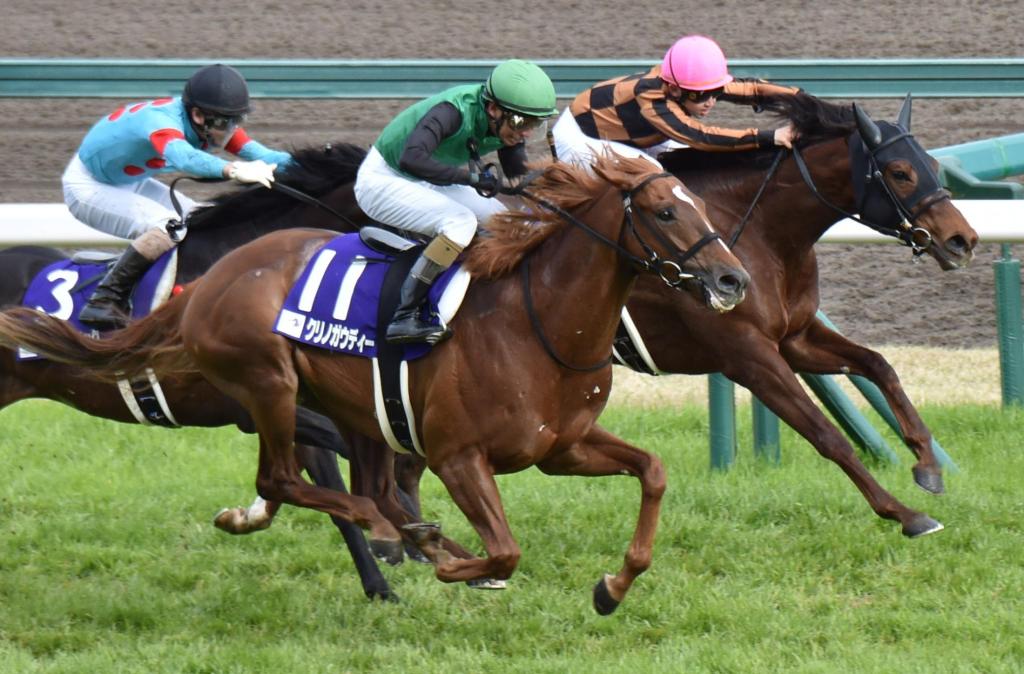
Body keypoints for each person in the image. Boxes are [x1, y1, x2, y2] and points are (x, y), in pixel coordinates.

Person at [64, 63, 293, 330]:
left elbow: (265, 157)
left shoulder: (214, 123)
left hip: (128, 181)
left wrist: (328, 164)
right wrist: (233, 170)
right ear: (197, 115)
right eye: (224, 122)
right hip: (88, 187)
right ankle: (104, 299)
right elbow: (184, 158)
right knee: (167, 226)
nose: (231, 130)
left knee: (200, 216)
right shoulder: (162, 122)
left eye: (236, 121)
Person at [354, 58, 558, 345]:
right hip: (382, 180)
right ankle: (404, 316)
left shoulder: (506, 125)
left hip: (427, 180)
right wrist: (470, 178)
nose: (525, 132)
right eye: (520, 122)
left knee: (504, 221)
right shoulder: (452, 111)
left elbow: (516, 173)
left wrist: (556, 188)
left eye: (534, 124)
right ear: (493, 109)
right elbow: (411, 158)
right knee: (459, 222)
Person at [552, 35, 800, 168]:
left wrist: (803, 100)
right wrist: (770, 136)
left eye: (716, 92)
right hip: (581, 137)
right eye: (701, 95)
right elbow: (701, 136)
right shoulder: (653, 101)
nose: (710, 101)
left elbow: (752, 89)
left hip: (631, 135)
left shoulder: (688, 84)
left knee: (695, 165)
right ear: (674, 89)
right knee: (653, 178)